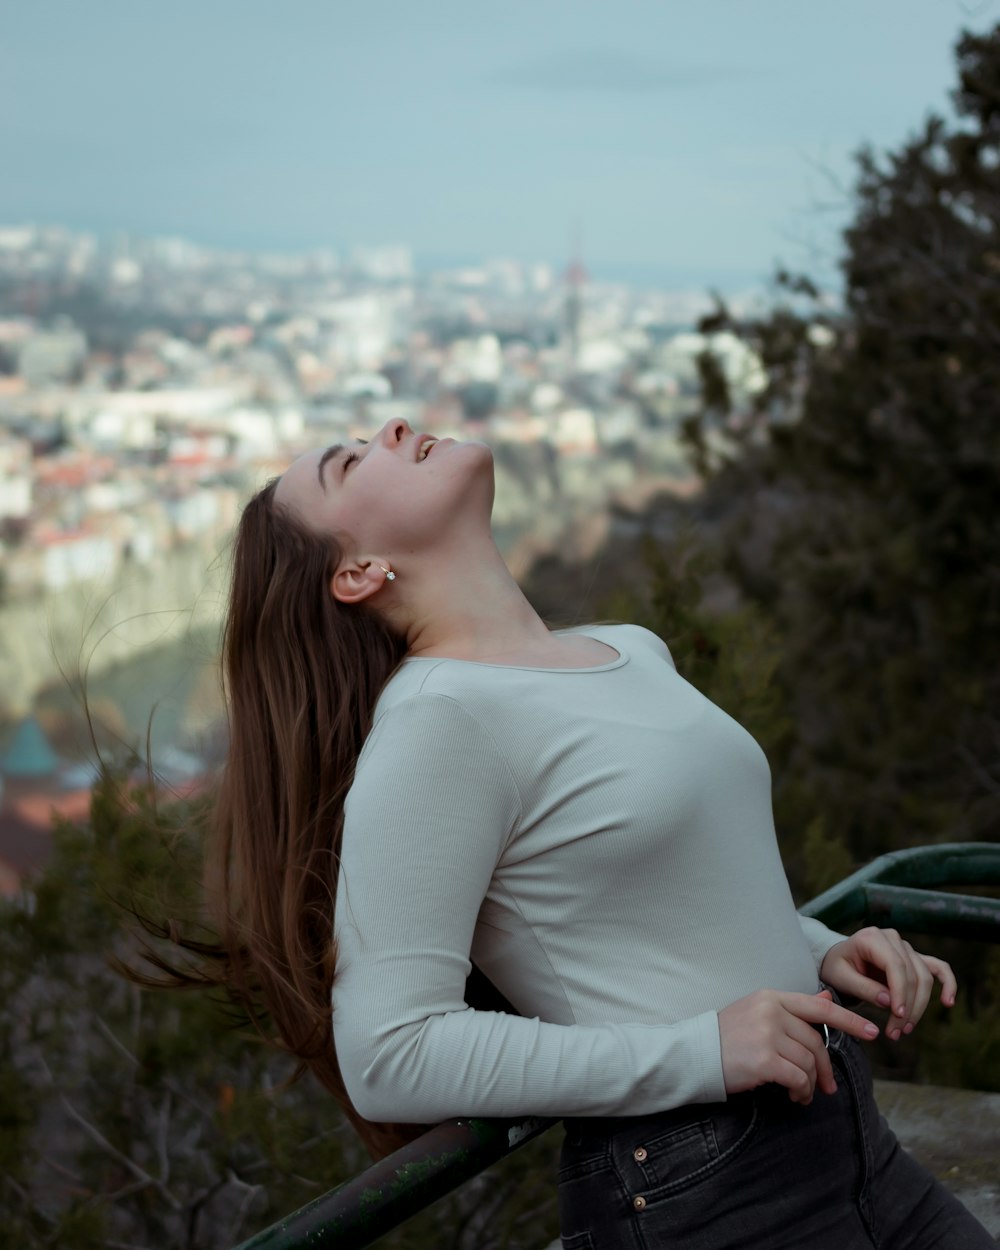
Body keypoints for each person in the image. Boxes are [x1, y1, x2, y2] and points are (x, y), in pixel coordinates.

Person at [193, 417, 993, 1247]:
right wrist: (700, 1051)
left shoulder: (629, 650)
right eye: (351, 463)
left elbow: (655, 895)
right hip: (706, 1192)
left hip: (853, 1139)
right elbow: (390, 1053)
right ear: (357, 572)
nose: (392, 426)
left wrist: (819, 946)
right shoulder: (438, 722)